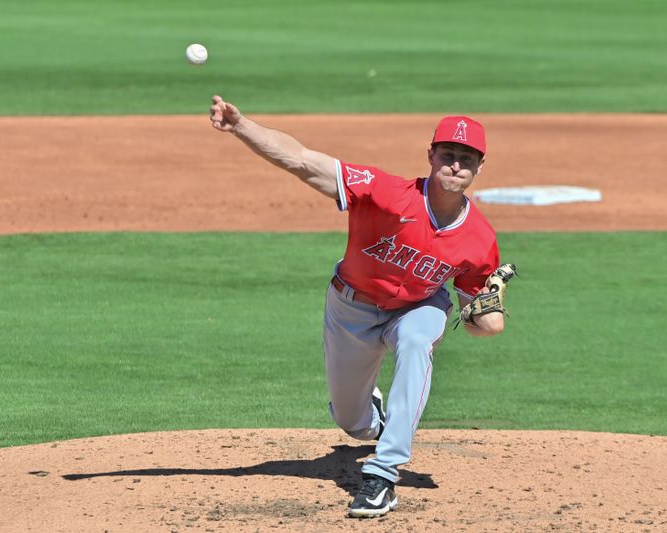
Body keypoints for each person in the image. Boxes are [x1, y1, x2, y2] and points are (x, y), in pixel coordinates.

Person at [209, 96, 508, 518]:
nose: (456, 164)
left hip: (418, 307)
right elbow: (301, 160)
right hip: (352, 307)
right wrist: (241, 126)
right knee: (352, 421)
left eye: (466, 158)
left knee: (417, 342)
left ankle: (383, 474)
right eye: (448, 154)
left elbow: (483, 321)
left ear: (479, 166)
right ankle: (375, 420)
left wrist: (485, 317)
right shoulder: (386, 193)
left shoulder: (479, 238)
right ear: (431, 155)